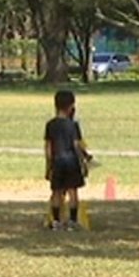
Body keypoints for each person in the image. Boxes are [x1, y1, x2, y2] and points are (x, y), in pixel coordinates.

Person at [45, 89, 92, 231]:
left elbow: (48, 148)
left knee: (57, 192)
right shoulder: (73, 125)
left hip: (57, 161)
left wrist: (48, 166)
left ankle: (56, 221)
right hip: (71, 162)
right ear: (71, 106)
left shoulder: (50, 125)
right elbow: (76, 145)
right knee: (73, 191)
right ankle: (72, 220)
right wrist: (85, 158)